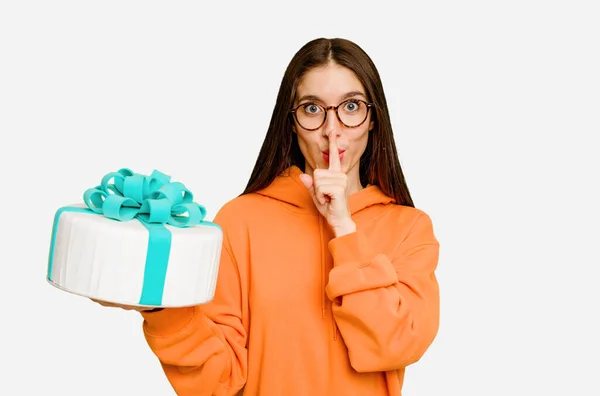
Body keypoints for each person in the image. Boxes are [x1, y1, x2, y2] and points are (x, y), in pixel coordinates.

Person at [96, 37, 440, 396]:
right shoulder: (240, 220)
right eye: (312, 109)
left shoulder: (410, 229)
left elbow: (396, 345)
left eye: (351, 107)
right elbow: (218, 380)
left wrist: (344, 228)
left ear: (373, 119)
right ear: (290, 123)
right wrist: (161, 309)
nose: (331, 129)